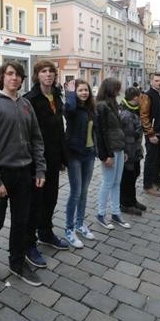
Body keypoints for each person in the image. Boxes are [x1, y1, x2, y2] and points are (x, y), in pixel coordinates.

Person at [0, 61, 46, 289]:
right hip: (2, 174)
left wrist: (40, 168)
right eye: (10, 74)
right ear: (2, 77)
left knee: (21, 222)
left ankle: (17, 262)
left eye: (18, 75)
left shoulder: (25, 104)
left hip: (24, 173)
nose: (14, 78)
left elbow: (36, 139)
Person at [23, 61, 69, 266]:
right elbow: (27, 135)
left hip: (54, 157)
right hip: (37, 161)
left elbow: (60, 129)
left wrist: (63, 158)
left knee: (51, 198)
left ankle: (46, 232)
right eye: (43, 71)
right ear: (36, 75)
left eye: (51, 71)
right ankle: (28, 243)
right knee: (35, 203)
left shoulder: (57, 96)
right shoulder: (29, 100)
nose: (48, 75)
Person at [62, 79, 98, 248]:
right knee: (75, 192)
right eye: (80, 90)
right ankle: (69, 229)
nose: (84, 93)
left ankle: (80, 224)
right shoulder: (72, 108)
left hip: (89, 154)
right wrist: (69, 93)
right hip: (74, 154)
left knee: (84, 192)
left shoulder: (90, 108)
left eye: (86, 90)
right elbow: (68, 109)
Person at [95, 77, 130, 228]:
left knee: (117, 182)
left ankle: (116, 213)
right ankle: (101, 214)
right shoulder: (101, 106)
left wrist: (125, 149)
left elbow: (119, 129)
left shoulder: (113, 104)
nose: (119, 91)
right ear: (110, 89)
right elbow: (100, 133)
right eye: (116, 88)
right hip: (110, 150)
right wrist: (105, 155)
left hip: (119, 148)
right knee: (108, 182)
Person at [119, 86, 147, 216]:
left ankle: (132, 200)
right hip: (128, 154)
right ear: (136, 98)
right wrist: (130, 157)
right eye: (141, 97)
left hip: (134, 152)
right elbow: (128, 138)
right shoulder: (126, 114)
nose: (143, 99)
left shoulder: (134, 110)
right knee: (127, 178)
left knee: (134, 175)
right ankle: (125, 204)